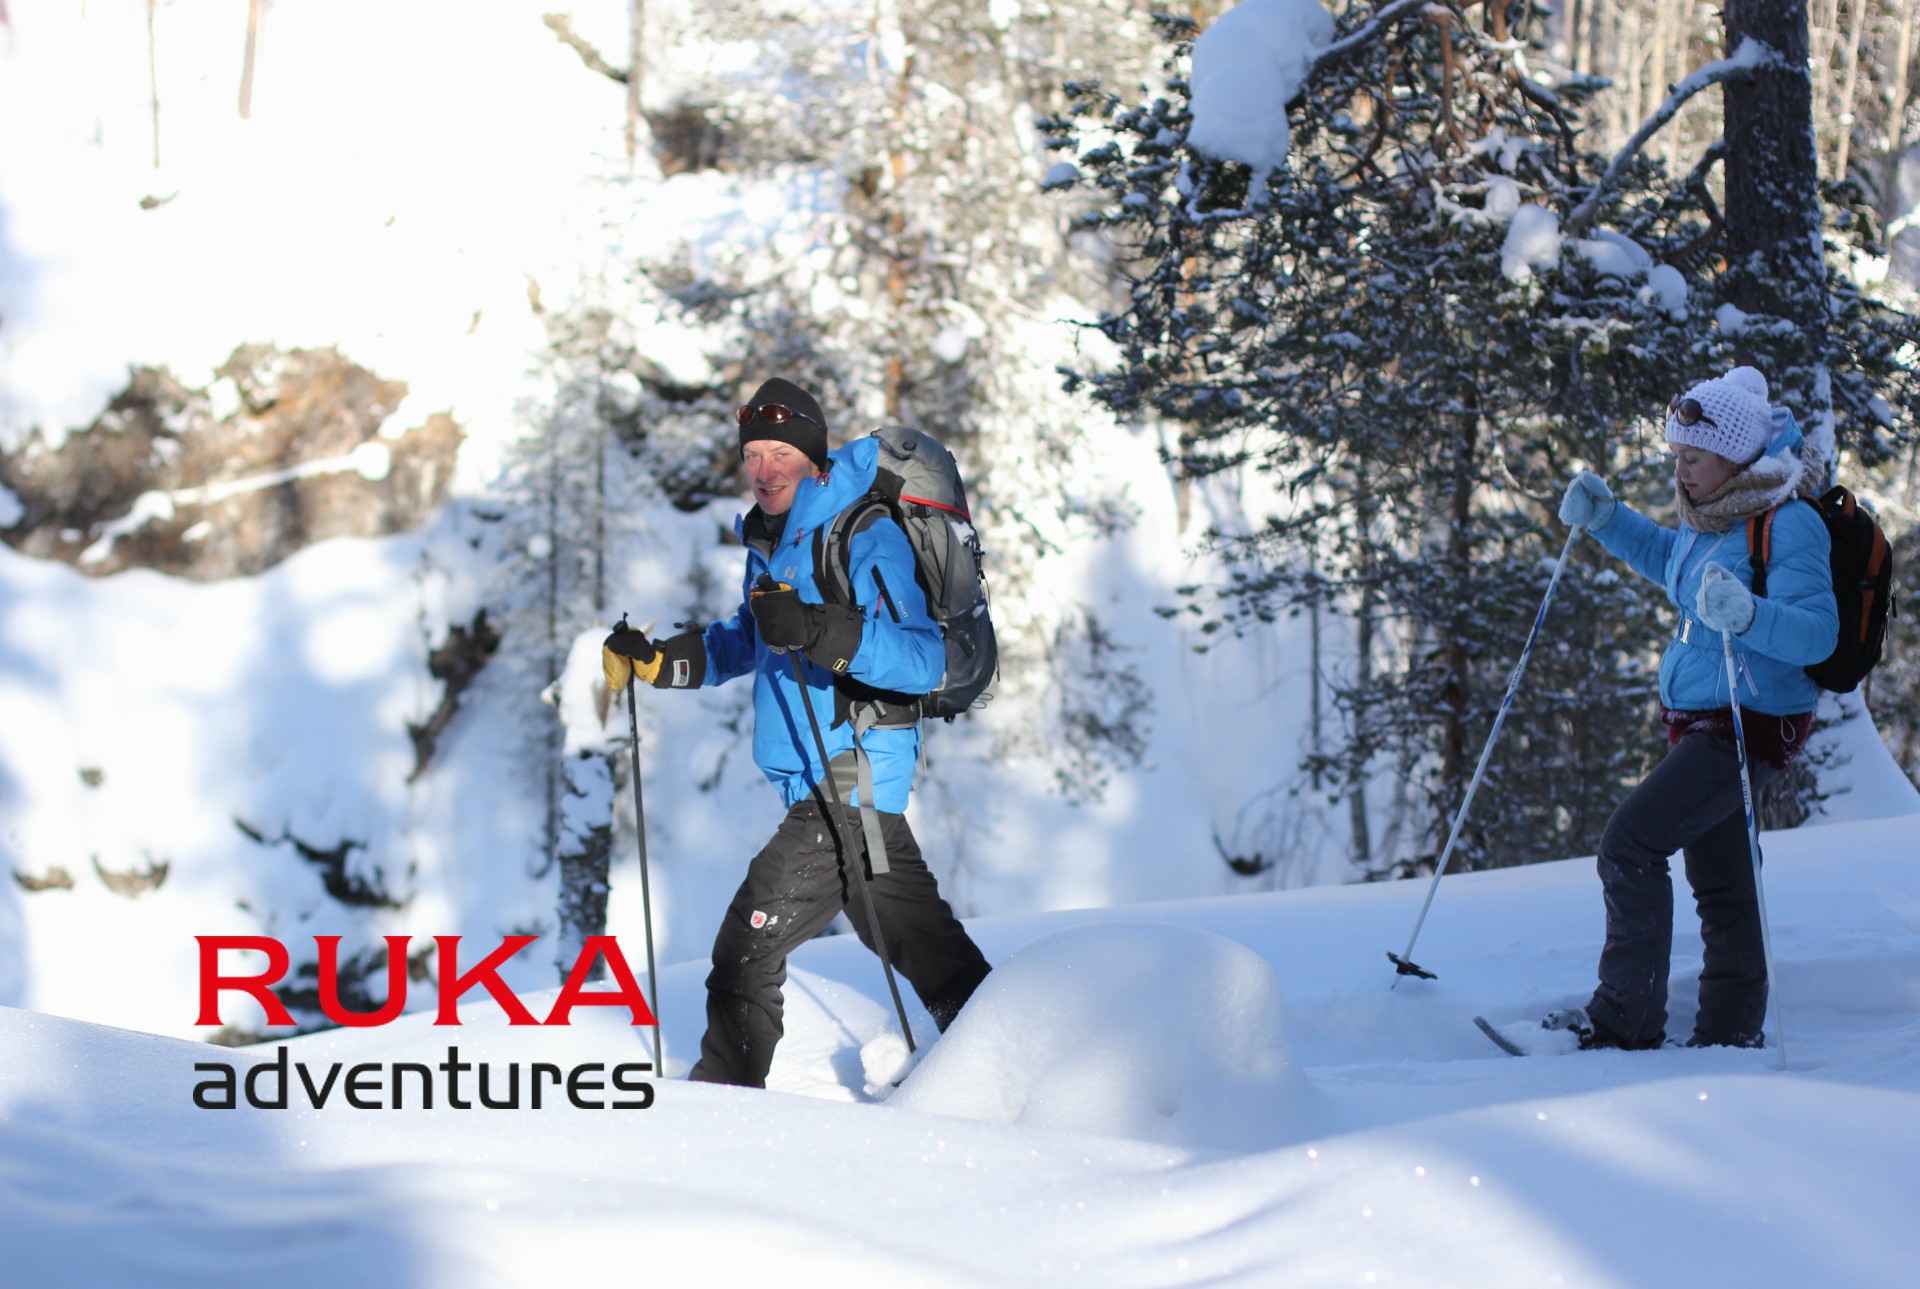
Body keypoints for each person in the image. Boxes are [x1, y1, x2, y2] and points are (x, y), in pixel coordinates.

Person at [600, 376, 991, 1087]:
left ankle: (720, 1106)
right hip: (833, 782)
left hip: (848, 776)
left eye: (781, 452)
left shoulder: (863, 534)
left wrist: (816, 629)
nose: (765, 469)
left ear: (814, 459)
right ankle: (1011, 1053)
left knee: (746, 946)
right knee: (915, 935)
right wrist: (658, 661)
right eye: (753, 454)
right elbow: (746, 639)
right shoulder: (778, 543)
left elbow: (921, 658)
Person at [1554, 365, 1838, 1050]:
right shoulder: (1712, 514)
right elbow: (1668, 558)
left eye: (1693, 458)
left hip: (1750, 724)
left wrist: (1749, 615)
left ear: (1735, 458)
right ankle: (1730, 1033)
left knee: (1631, 842)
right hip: (1702, 720)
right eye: (1676, 455)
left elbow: (1818, 634)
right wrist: (1606, 518)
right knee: (1722, 876)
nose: (1679, 471)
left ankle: (1624, 1019)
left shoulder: (1789, 522)